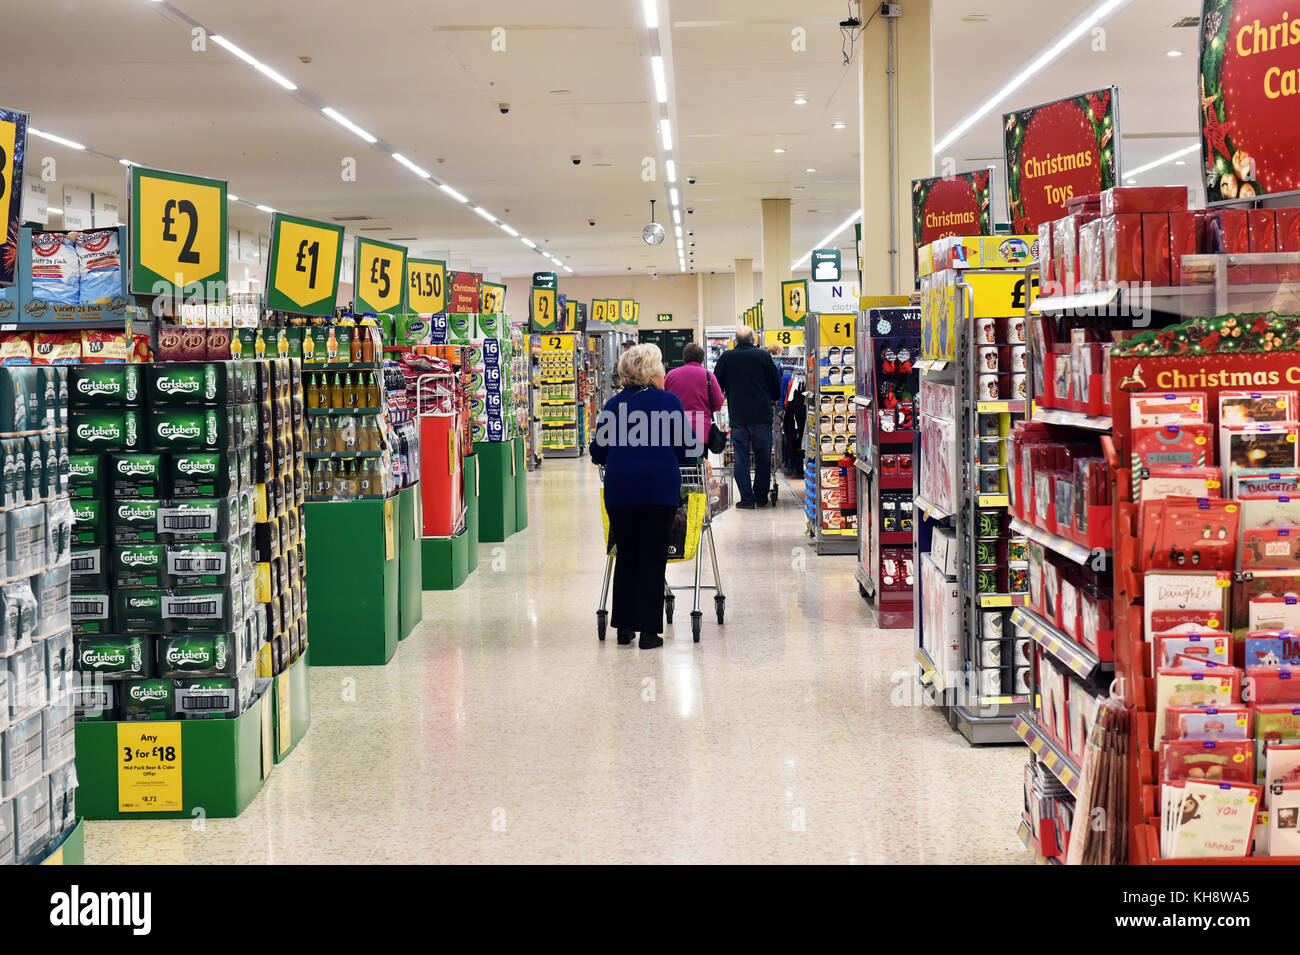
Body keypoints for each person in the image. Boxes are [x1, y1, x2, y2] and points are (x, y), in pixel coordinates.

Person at [590, 343, 694, 649]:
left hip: (621, 491)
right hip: (659, 491)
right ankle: (649, 632)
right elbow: (686, 449)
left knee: (627, 556)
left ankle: (624, 628)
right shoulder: (670, 402)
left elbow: (597, 452)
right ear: (652, 370)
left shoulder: (613, 405)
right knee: (652, 557)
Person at [713, 325, 781, 508]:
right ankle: (760, 496)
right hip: (761, 416)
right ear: (754, 340)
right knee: (763, 458)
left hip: (738, 417)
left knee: (741, 459)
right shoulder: (764, 356)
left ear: (735, 341)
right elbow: (776, 384)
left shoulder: (727, 357)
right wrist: (773, 397)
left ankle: (747, 498)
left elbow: (716, 385)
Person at [663, 342, 724, 456]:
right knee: (699, 469)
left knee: (680, 467)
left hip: (676, 426)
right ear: (701, 359)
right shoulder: (708, 376)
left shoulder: (671, 375)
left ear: (684, 357)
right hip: (700, 429)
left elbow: (663, 400)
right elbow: (718, 403)